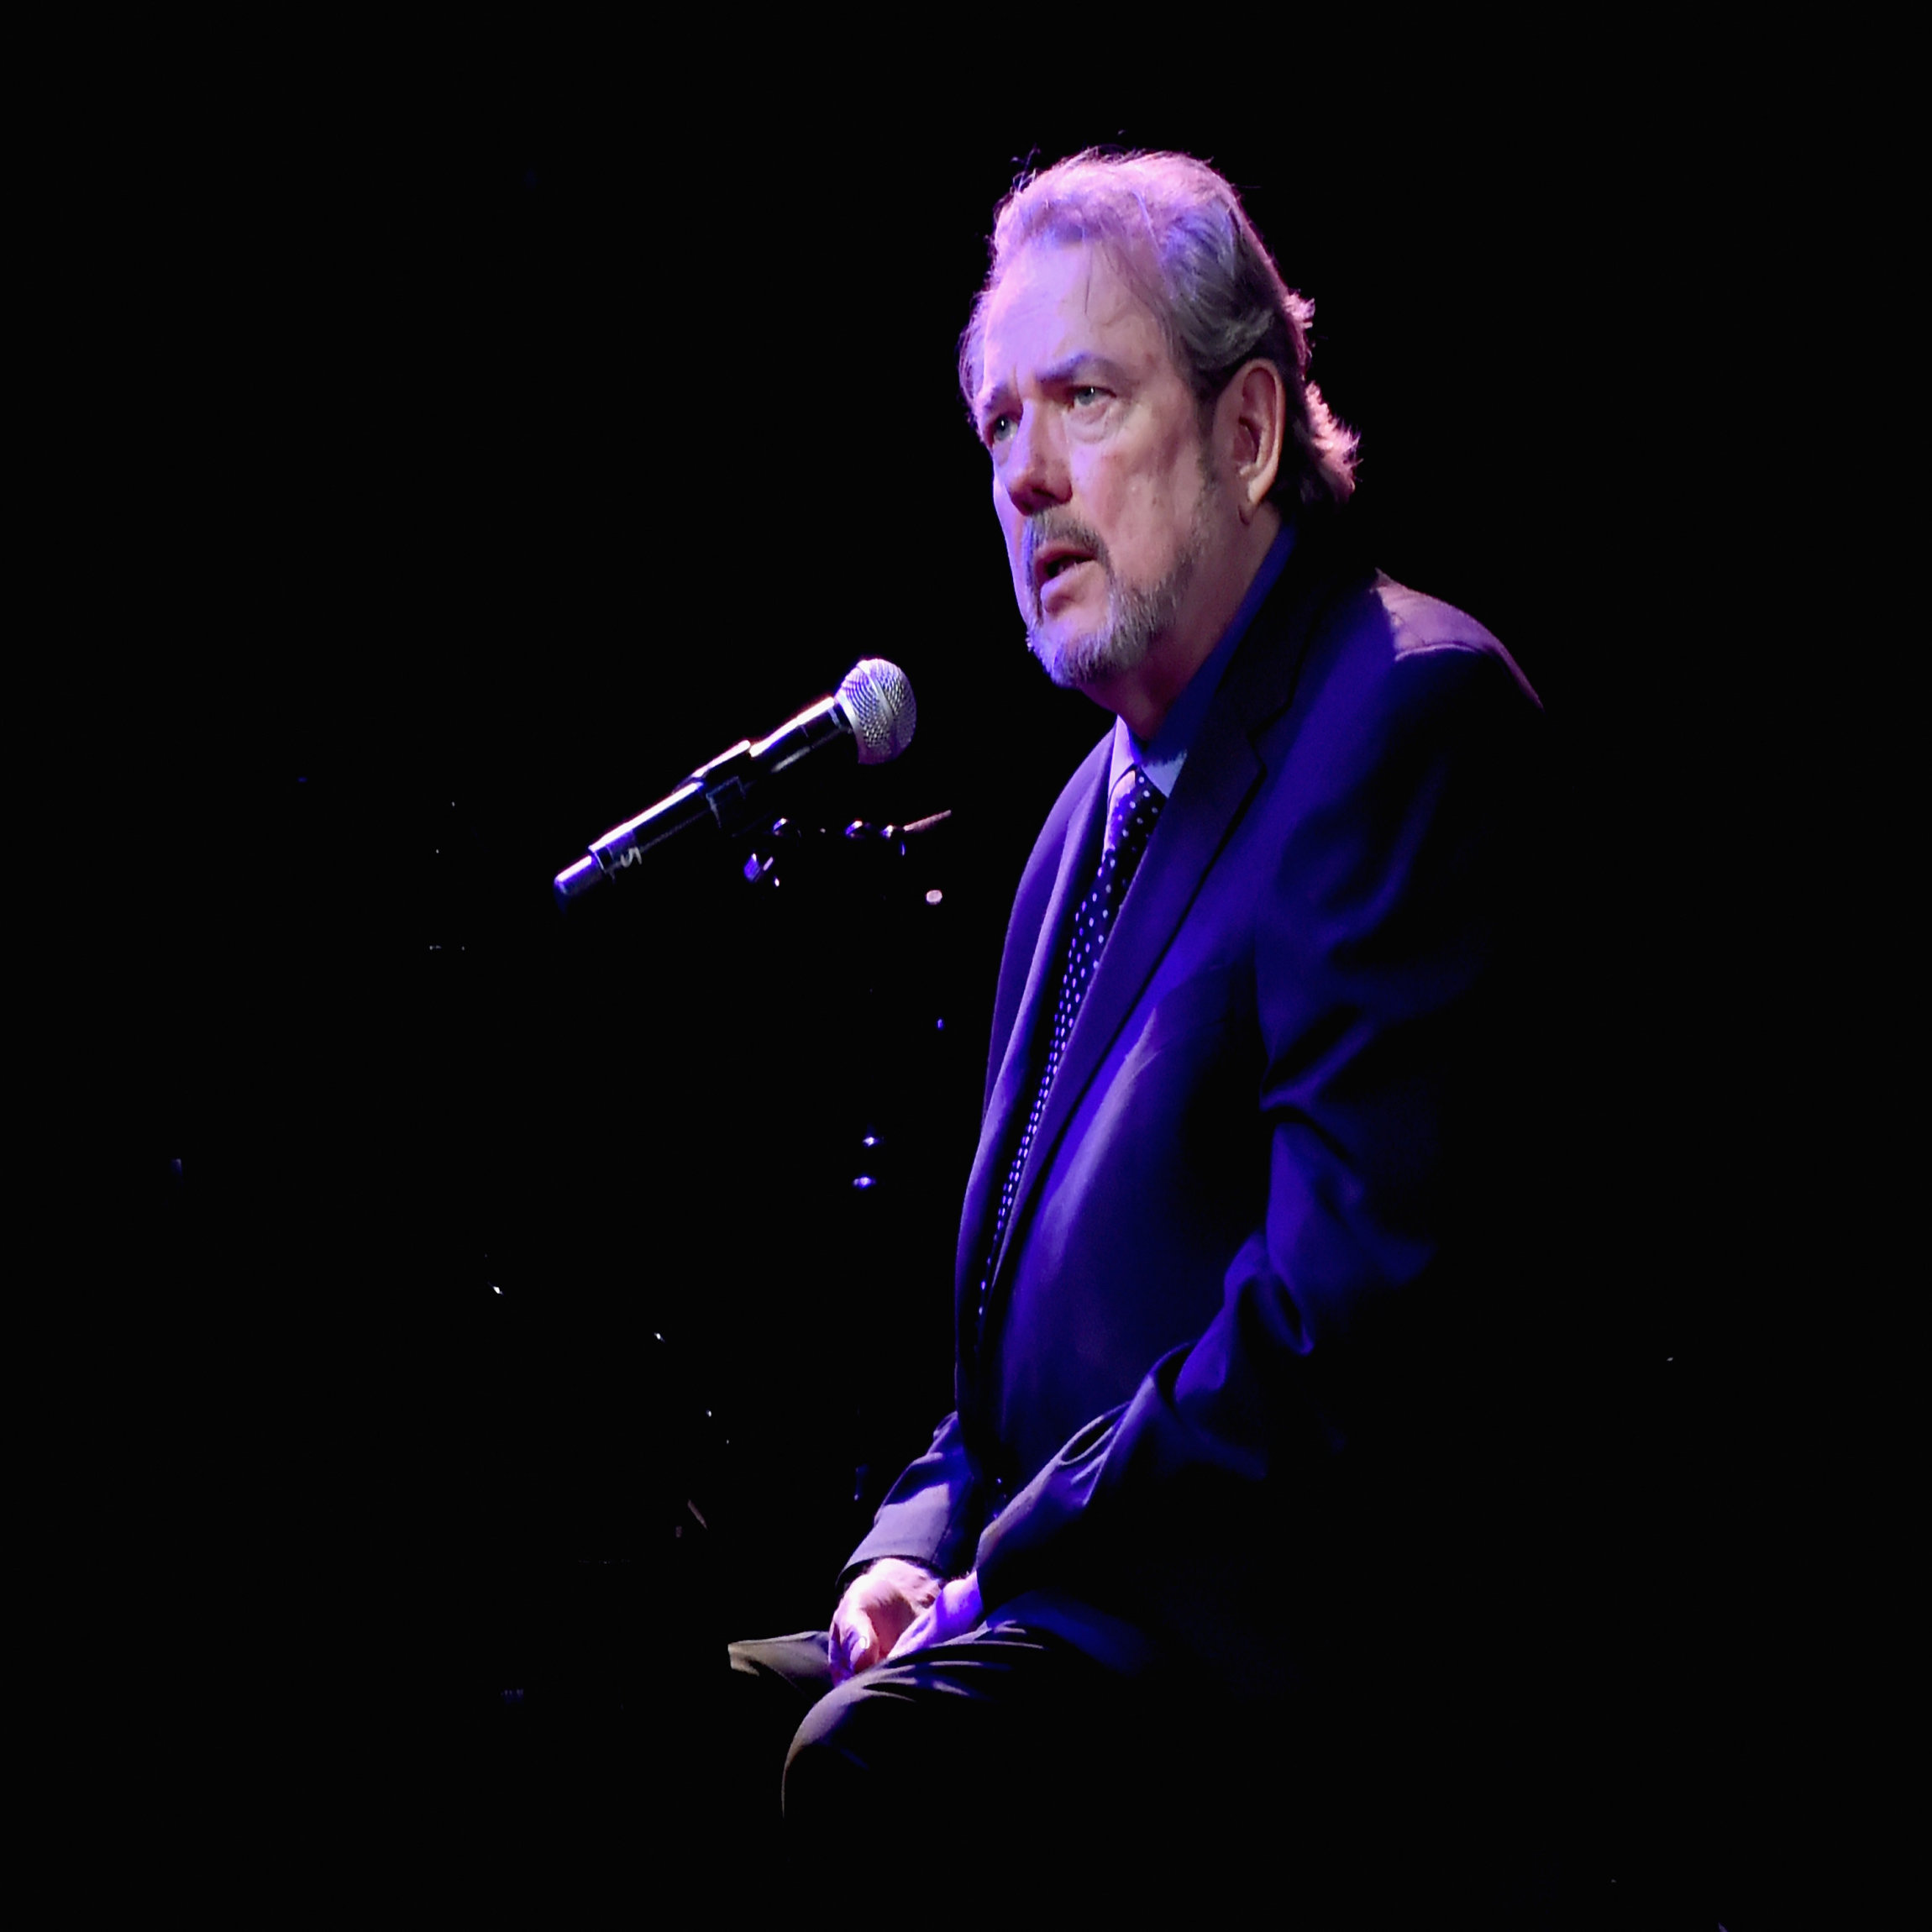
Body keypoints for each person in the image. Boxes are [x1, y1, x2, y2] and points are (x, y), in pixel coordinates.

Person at [730, 150, 1570, 1914]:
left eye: (1083, 401)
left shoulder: (1402, 715)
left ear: (1249, 430)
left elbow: (1335, 1327)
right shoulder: (1080, 819)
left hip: (1264, 1659)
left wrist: (1001, 1562)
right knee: (650, 1703)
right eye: (993, 428)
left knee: (865, 1767)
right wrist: (916, 1545)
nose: (1022, 474)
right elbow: (1005, 1353)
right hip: (1067, 1595)